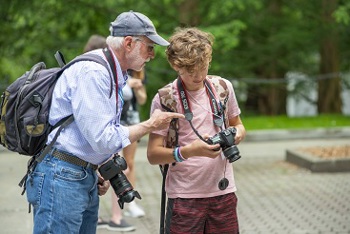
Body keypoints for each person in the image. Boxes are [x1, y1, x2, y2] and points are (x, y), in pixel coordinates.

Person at [25, 10, 184, 234]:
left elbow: (93, 131)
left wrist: (98, 165)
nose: (152, 54)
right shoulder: (94, 72)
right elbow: (103, 138)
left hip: (79, 174)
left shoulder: (111, 71)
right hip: (62, 177)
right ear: (129, 43)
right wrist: (150, 125)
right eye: (149, 47)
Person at [147, 27, 246, 234]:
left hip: (223, 192)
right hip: (184, 197)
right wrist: (189, 151)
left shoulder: (222, 88)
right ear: (176, 65)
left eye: (203, 67)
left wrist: (235, 135)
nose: (199, 75)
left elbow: (239, 125)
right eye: (191, 71)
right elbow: (153, 155)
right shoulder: (166, 99)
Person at [83, 35, 147, 231]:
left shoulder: (120, 73)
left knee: (122, 167)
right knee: (116, 167)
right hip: (113, 130)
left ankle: (119, 212)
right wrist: (150, 125)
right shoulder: (95, 72)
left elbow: (141, 99)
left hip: (124, 124)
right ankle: (116, 217)